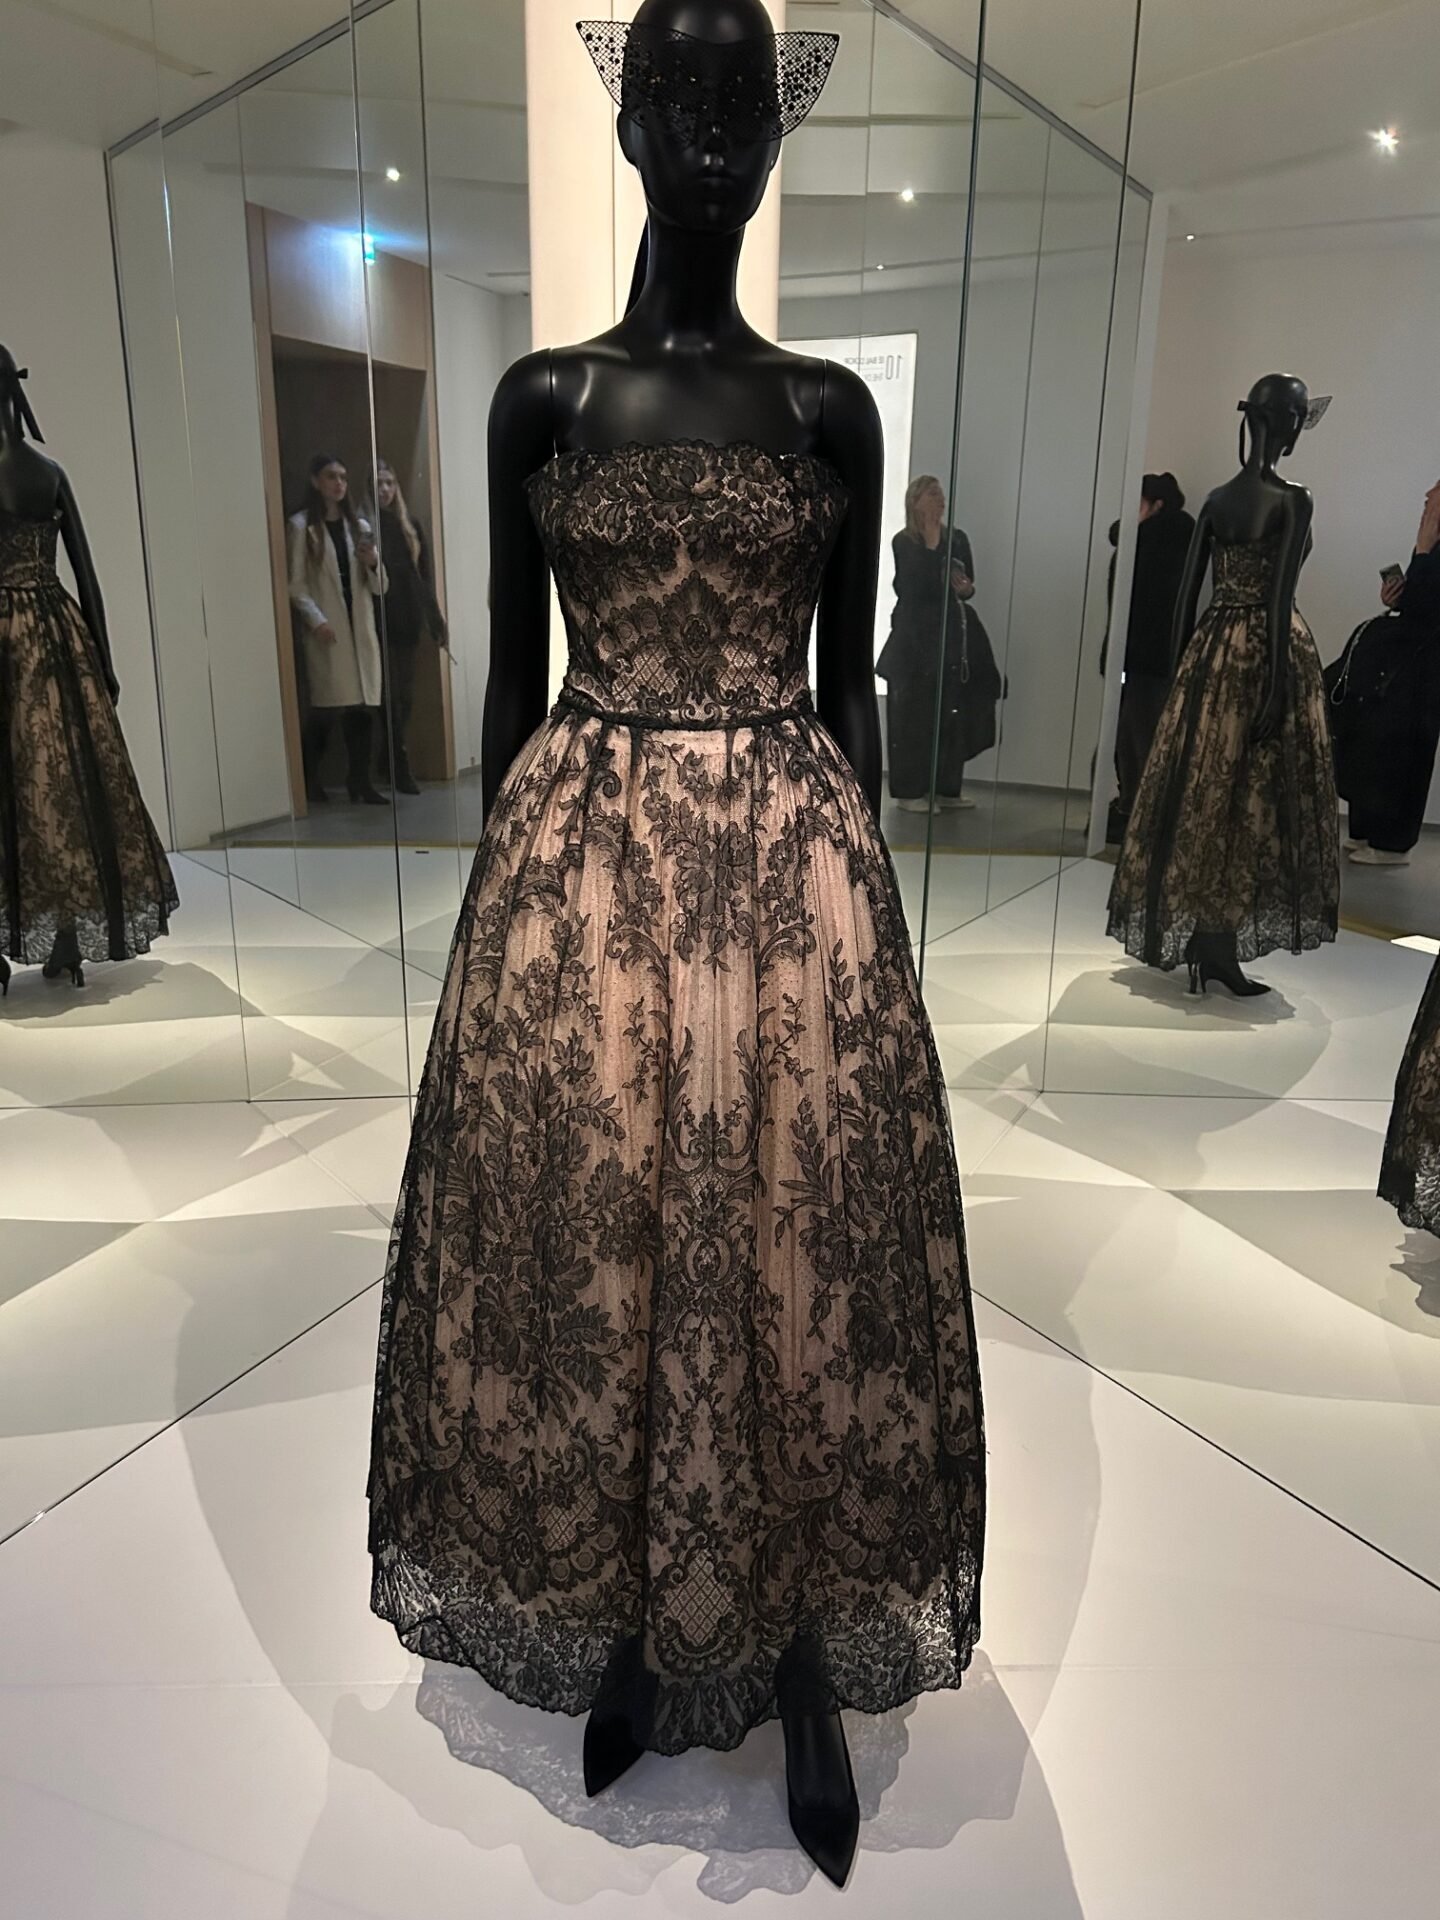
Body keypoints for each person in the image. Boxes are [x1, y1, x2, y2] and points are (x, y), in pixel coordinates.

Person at [366, 4, 984, 1889]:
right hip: (588, 880)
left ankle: (800, 1657)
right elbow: (511, 679)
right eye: (682, 103)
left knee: (797, 1257)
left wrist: (872, 914)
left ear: (774, 133)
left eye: (742, 107)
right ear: (630, 123)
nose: (715, 140)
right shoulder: (544, 398)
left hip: (795, 876)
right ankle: (639, 1616)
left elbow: (850, 698)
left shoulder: (828, 409)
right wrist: (494, 907)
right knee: (612, 1241)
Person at [1106, 373, 1338, 995]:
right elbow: (1279, 595)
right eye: (1297, 419)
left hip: (1212, 651)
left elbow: (1187, 601)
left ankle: (1210, 942)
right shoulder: (1294, 499)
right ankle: (1215, 944)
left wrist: (1183, 678)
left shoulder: (1215, 501)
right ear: (1285, 423)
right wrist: (1275, 684)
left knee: (1205, 794)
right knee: (1249, 797)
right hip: (1264, 652)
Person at [0, 345, 177, 994]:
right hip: (53, 635)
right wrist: (103, 659)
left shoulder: (49, 473)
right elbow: (86, 575)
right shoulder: (47, 473)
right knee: (61, 783)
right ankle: (68, 938)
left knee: (19, 784)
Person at [877, 473, 1000, 813]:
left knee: (951, 711)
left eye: (940, 493)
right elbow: (912, 587)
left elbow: (966, 585)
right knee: (913, 714)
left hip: (951, 634)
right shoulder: (905, 541)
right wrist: (932, 546)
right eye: (931, 494)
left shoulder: (957, 538)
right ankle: (910, 791)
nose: (939, 499)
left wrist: (965, 588)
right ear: (915, 501)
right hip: (915, 638)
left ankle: (947, 788)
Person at [1337, 481, 1440, 866]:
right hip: (1408, 663)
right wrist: (1396, 595)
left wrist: (1424, 552)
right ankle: (1367, 830)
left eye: (1435, 494)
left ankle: (1392, 843)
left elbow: (1429, 604)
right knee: (1375, 740)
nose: (1427, 499)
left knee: (1405, 751)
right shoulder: (1430, 543)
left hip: (1424, 669)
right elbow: (1419, 600)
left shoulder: (1430, 545)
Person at [286, 452, 387, 805]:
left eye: (343, 477)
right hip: (328, 631)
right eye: (331, 476)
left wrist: (373, 563)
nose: (339, 483)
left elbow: (380, 587)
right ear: (316, 482)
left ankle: (360, 781)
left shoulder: (358, 526)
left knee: (362, 709)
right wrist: (317, 621)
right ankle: (309, 779)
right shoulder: (302, 527)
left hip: (360, 629)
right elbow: (296, 585)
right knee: (327, 710)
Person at [1105, 472, 1195, 834]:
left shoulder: (1158, 540)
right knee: (1133, 735)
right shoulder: (1159, 540)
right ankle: (1133, 807)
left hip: (1146, 658)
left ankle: (1138, 812)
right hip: (1147, 658)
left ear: (1157, 505)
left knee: (1138, 736)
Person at [370, 459, 447, 795]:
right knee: (390, 696)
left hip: (408, 616)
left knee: (405, 696)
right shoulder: (367, 526)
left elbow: (423, 576)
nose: (384, 489)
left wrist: (435, 620)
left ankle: (389, 760)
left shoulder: (408, 524)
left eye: (389, 482)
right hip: (380, 617)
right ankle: (396, 763)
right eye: (378, 484)